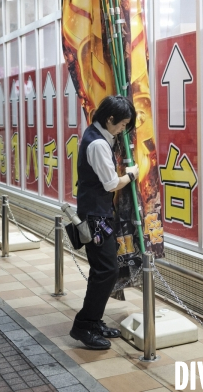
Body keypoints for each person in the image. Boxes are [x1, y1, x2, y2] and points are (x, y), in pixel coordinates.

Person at [70, 95, 139, 350]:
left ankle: (93, 321)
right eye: (122, 124)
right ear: (109, 119)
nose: (123, 130)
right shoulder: (98, 144)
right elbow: (111, 184)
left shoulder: (96, 135)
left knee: (104, 271)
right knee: (105, 271)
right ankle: (83, 325)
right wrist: (131, 174)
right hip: (96, 217)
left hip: (97, 214)